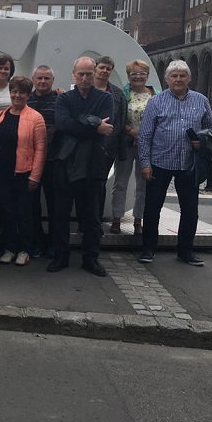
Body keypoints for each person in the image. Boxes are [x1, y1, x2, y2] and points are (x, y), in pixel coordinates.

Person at [138, 60, 212, 266]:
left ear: (189, 78)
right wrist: (145, 163)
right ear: (167, 79)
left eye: (182, 75)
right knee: (152, 207)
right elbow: (145, 135)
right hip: (160, 162)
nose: (178, 79)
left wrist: (203, 141)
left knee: (190, 210)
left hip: (189, 164)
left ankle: (185, 250)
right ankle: (148, 248)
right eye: (174, 76)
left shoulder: (201, 100)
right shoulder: (156, 102)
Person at [47, 57, 114, 277]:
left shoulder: (105, 98)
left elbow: (107, 126)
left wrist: (79, 122)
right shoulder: (64, 98)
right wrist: (94, 125)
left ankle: (90, 258)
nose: (85, 78)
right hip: (65, 162)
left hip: (93, 164)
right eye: (81, 74)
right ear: (73, 75)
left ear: (94, 74)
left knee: (92, 216)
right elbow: (63, 124)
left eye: (88, 74)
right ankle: (61, 255)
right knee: (61, 214)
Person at [0, 76, 47, 266]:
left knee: (24, 213)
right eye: (14, 91)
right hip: (3, 172)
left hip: (24, 173)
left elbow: (41, 149)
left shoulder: (36, 118)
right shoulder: (2, 114)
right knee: (6, 211)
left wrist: (35, 176)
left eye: (22, 92)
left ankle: (24, 249)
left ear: (28, 95)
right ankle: (9, 248)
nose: (17, 95)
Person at [110, 60, 156, 235]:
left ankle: (138, 220)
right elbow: (117, 118)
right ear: (128, 76)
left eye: (142, 73)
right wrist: (131, 131)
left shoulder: (155, 94)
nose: (138, 76)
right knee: (120, 182)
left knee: (143, 183)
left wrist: (142, 134)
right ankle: (116, 219)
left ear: (147, 76)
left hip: (148, 145)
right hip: (126, 143)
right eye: (134, 73)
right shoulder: (122, 94)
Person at [27, 65, 59, 258]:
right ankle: (36, 242)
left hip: (54, 159)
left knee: (55, 204)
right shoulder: (26, 100)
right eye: (39, 78)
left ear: (53, 81)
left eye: (47, 78)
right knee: (32, 205)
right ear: (33, 80)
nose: (43, 81)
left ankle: (54, 243)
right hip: (30, 160)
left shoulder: (60, 100)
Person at [94, 55, 128, 221]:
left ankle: (97, 221)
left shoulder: (118, 94)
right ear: (95, 69)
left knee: (100, 184)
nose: (105, 71)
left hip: (108, 148)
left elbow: (121, 121)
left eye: (108, 69)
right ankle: (83, 221)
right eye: (102, 67)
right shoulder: (84, 89)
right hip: (85, 146)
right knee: (84, 185)